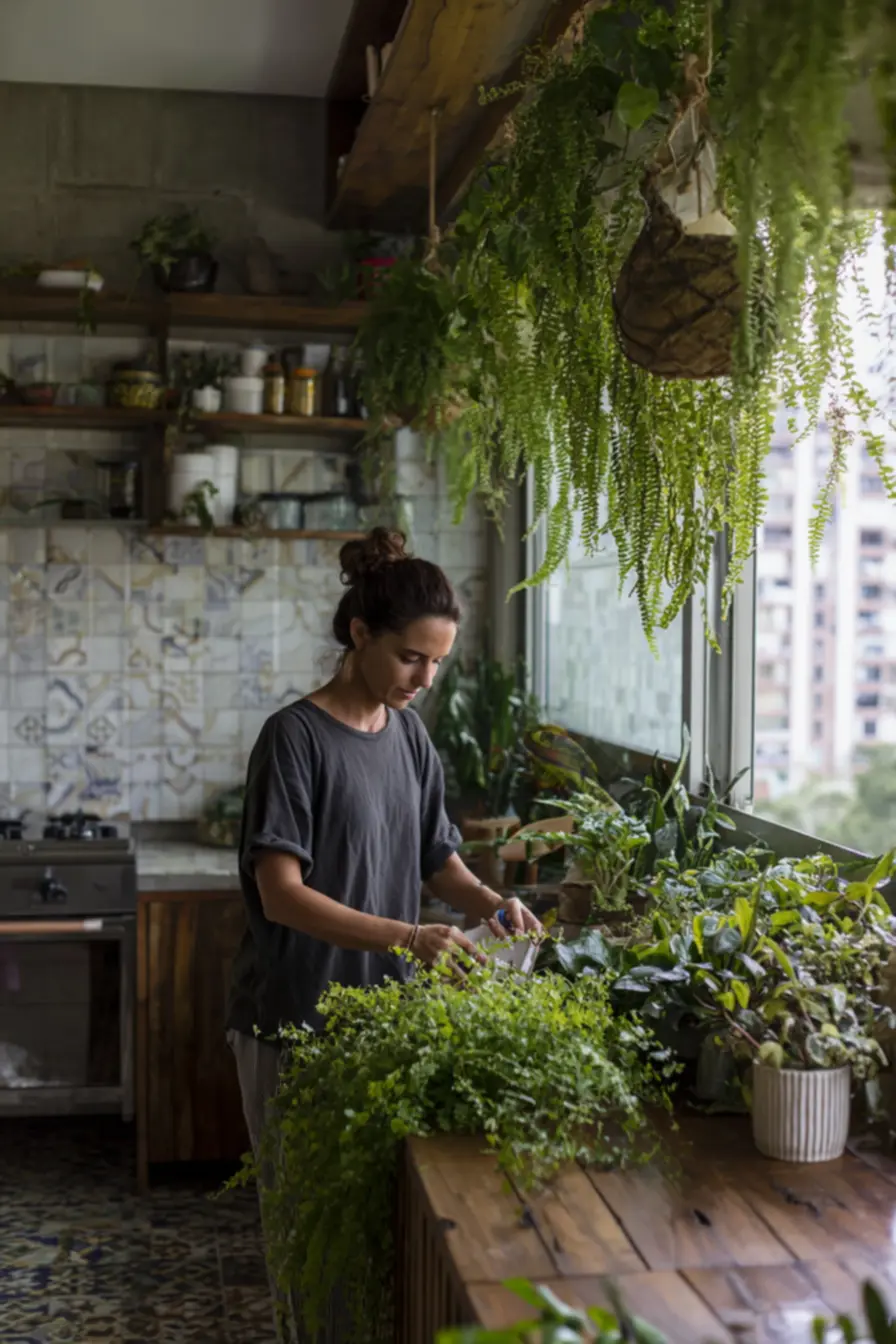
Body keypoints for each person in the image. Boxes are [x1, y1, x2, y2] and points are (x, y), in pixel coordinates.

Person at [225, 523, 541, 1168]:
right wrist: (409, 937)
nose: (425, 678)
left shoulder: (409, 736)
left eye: (437, 662)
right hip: (295, 1023)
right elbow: (281, 897)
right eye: (410, 657)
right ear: (360, 634)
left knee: (366, 1234)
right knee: (301, 1227)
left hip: (385, 1018)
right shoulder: (294, 738)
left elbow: (437, 860)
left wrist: (491, 904)